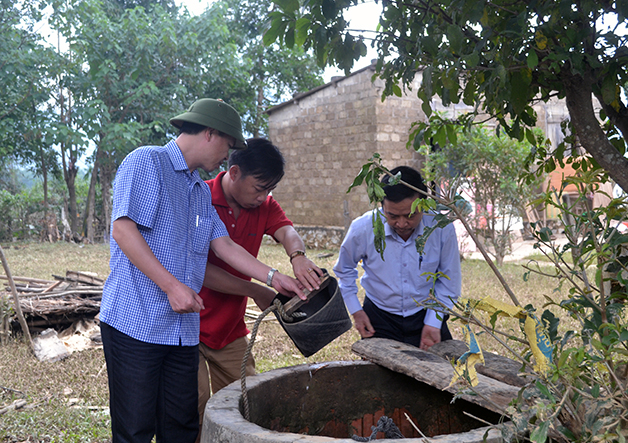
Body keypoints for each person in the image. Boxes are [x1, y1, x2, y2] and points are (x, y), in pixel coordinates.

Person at [100, 98, 311, 443]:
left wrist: (274, 277)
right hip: (137, 324)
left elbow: (224, 246)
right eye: (228, 146)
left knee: (182, 427)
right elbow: (123, 230)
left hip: (182, 331)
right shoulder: (147, 162)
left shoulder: (198, 190)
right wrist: (171, 286)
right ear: (211, 133)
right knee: (136, 428)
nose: (227, 158)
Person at [197, 137, 323, 426]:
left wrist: (298, 256)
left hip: (229, 329)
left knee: (247, 403)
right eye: (259, 188)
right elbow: (198, 270)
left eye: (270, 189)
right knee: (195, 406)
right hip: (187, 326)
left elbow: (287, 231)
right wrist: (255, 288)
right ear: (235, 172)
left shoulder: (264, 205)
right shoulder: (200, 197)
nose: (263, 196)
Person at [333, 165, 461, 351]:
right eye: (392, 215)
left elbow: (450, 280)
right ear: (382, 205)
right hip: (378, 316)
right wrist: (356, 311)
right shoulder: (363, 228)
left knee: (441, 372)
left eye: (410, 215)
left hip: (425, 313)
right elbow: (344, 270)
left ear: (423, 205)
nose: (401, 224)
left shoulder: (441, 228)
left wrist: (434, 321)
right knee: (380, 377)